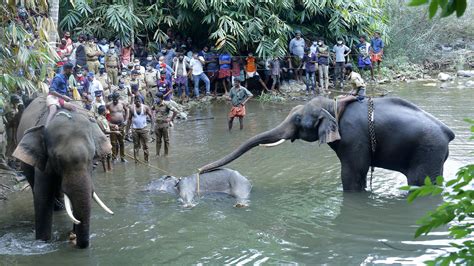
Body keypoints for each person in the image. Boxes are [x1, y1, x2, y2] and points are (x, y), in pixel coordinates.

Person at [45, 63, 76, 127]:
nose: (72, 72)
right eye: (71, 70)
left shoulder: (65, 77)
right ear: (67, 70)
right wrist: (63, 96)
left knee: (73, 107)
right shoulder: (58, 78)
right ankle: (46, 127)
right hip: (53, 96)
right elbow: (52, 90)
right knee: (53, 110)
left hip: (61, 98)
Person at [96, 105, 121, 172]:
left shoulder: (103, 118)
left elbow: (108, 124)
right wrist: (115, 132)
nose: (107, 111)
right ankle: (105, 170)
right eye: (105, 110)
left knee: (109, 154)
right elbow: (105, 131)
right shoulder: (99, 120)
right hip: (103, 139)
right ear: (103, 111)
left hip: (107, 138)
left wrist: (114, 125)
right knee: (104, 155)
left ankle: (109, 168)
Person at [128, 97, 153, 163]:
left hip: (144, 129)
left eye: (139, 101)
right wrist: (126, 131)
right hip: (135, 130)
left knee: (145, 146)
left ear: (141, 101)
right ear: (134, 102)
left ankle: (146, 161)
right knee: (136, 146)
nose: (137, 103)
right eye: (136, 101)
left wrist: (152, 128)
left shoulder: (145, 107)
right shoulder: (132, 108)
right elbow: (129, 119)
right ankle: (137, 161)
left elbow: (151, 116)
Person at [106, 92, 129, 162]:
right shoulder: (108, 104)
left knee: (121, 142)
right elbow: (105, 114)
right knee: (113, 142)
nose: (115, 101)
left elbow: (127, 110)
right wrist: (109, 123)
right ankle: (114, 157)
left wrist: (126, 120)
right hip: (113, 125)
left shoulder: (122, 103)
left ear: (118, 98)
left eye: (116, 99)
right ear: (112, 99)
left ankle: (122, 157)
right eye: (113, 100)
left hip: (121, 124)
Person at [153, 92, 178, 157]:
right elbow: (151, 109)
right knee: (158, 140)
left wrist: (171, 119)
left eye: (157, 97)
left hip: (164, 124)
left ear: (160, 98)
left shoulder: (167, 104)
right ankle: (157, 154)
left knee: (166, 140)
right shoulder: (155, 104)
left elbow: (175, 111)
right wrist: (153, 117)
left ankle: (166, 154)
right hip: (157, 124)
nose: (155, 99)